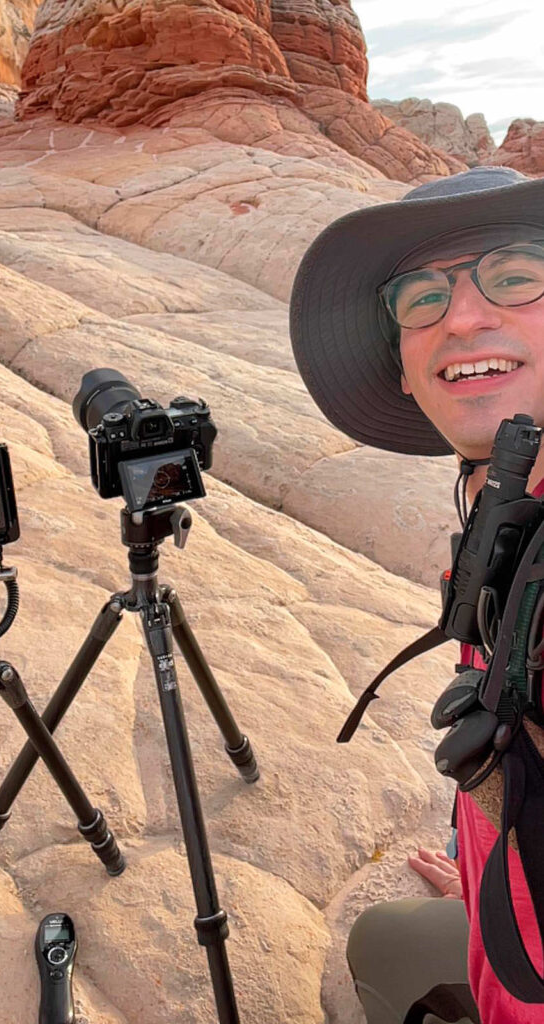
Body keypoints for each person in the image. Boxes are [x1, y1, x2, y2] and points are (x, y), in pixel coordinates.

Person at [289, 166, 544, 1024]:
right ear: (402, 366)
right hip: (500, 914)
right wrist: (485, 861)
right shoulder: (502, 514)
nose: (462, 317)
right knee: (388, 935)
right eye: (423, 298)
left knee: (379, 946)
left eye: (516, 275)